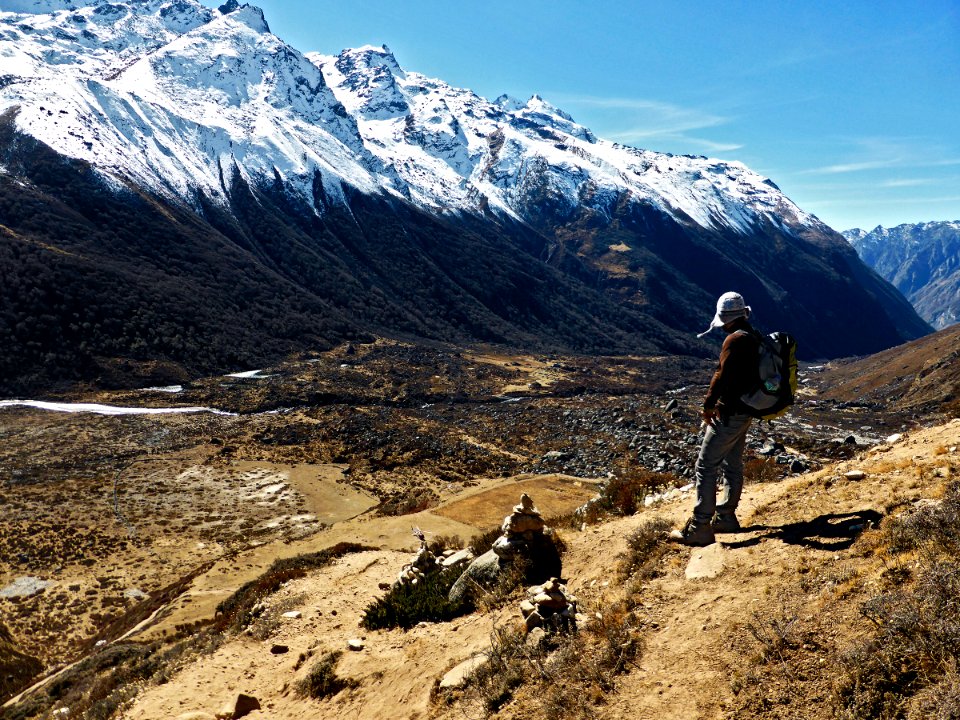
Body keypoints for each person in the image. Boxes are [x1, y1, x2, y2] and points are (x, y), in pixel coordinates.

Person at [670, 291, 761, 547]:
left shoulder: (734, 340)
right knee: (733, 464)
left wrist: (709, 405)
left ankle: (700, 527)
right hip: (746, 411)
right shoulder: (752, 335)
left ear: (725, 318)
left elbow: (721, 375)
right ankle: (725, 517)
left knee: (706, 465)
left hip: (729, 412)